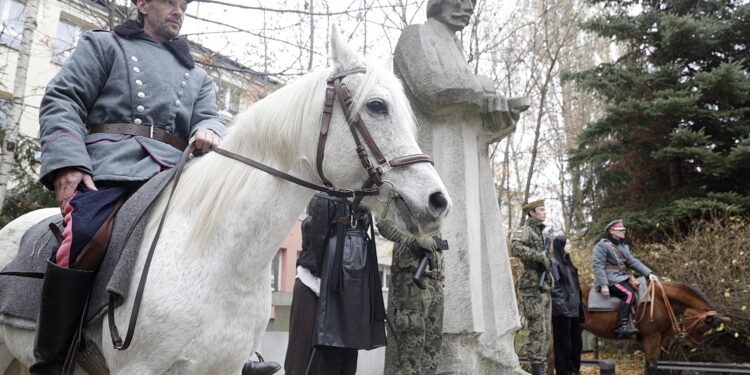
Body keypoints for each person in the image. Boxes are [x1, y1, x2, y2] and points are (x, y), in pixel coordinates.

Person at [34, 1, 278, 374]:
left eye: (184, 5)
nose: (178, 10)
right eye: (169, 2)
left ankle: (239, 351)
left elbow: (210, 115)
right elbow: (63, 98)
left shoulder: (198, 76)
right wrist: (67, 163)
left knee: (228, 235)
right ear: (143, 4)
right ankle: (52, 358)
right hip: (110, 170)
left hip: (176, 176)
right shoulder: (104, 46)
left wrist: (210, 128)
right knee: (84, 233)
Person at [284, 193, 386, 375]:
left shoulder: (360, 206)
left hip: (343, 286)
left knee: (341, 352)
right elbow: (316, 241)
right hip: (313, 283)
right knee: (302, 356)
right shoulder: (325, 198)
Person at [377, 220, 447, 375]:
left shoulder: (436, 201)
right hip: (411, 281)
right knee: (410, 350)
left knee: (432, 351)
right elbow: (383, 224)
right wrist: (416, 240)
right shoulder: (404, 196)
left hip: (435, 281)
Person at [592, 219, 658, 338]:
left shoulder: (622, 245)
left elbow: (632, 262)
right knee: (628, 294)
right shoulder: (601, 245)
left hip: (622, 277)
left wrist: (648, 273)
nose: (623, 231)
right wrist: (604, 285)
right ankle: (621, 327)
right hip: (610, 278)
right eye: (620, 230)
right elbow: (598, 266)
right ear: (611, 231)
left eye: (623, 229)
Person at [510, 199, 552, 375]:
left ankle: (541, 365)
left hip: (544, 286)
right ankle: (537, 369)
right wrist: (538, 256)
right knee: (537, 329)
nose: (544, 212)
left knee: (546, 331)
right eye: (541, 210)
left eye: (544, 210)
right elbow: (515, 247)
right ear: (531, 213)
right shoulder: (525, 230)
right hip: (532, 285)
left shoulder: (542, 233)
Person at [550, 235, 583, 375]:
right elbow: (555, 287)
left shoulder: (569, 264)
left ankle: (574, 370)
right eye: (567, 243)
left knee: (576, 343)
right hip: (561, 312)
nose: (570, 245)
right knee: (564, 345)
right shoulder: (554, 263)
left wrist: (579, 308)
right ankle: (564, 372)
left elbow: (575, 288)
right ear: (560, 245)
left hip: (574, 310)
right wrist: (562, 307)